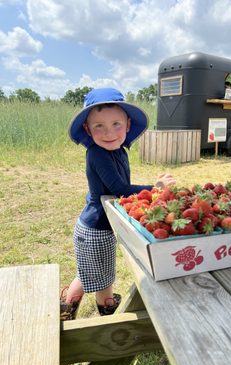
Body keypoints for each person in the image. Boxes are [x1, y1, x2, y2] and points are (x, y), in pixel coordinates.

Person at [60, 87, 176, 320]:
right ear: (87, 129)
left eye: (116, 124)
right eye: (99, 126)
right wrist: (156, 188)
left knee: (88, 271)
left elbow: (113, 189)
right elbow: (120, 189)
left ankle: (66, 307)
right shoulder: (97, 153)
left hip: (99, 225)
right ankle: (107, 312)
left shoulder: (119, 151)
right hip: (96, 229)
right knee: (101, 276)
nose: (109, 133)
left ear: (128, 125)